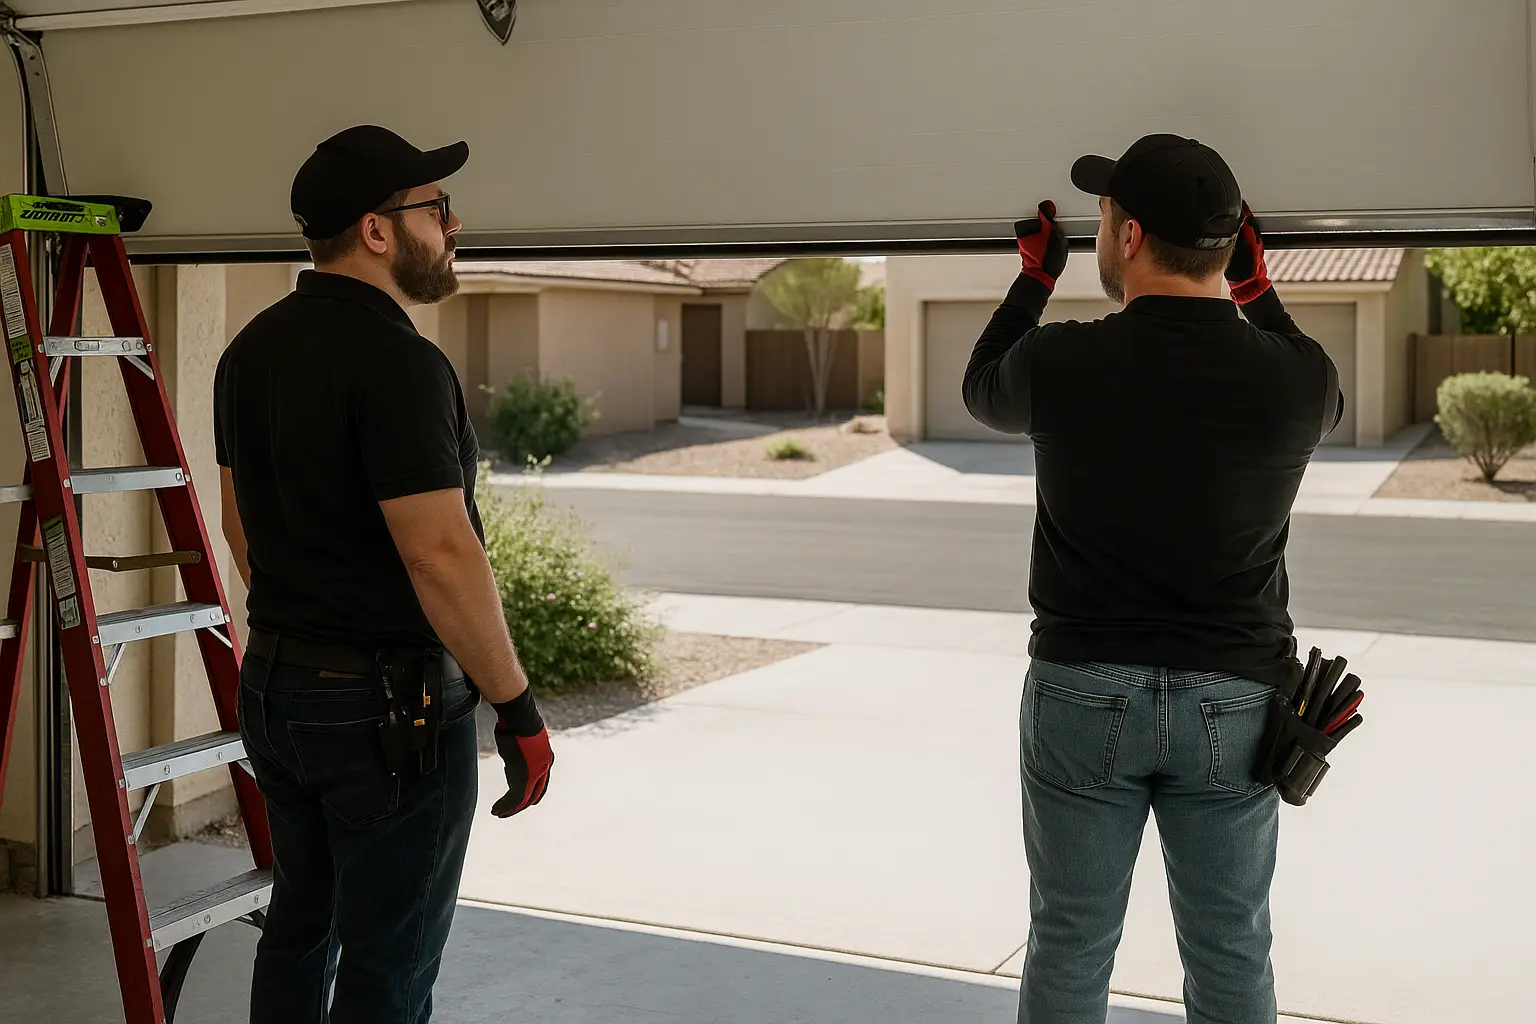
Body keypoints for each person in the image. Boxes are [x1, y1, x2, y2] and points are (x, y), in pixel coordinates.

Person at [963, 134, 1344, 1024]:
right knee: (1231, 945)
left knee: (1068, 940)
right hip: (1238, 703)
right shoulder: (1297, 381)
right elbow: (1308, 370)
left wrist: (1033, 279)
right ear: (1230, 249)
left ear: (1128, 237)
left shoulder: (1063, 361)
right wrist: (1257, 293)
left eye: (1101, 219)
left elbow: (983, 385)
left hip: (1083, 691)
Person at [214, 125, 555, 1024]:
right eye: (436, 209)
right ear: (376, 229)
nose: (454, 224)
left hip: (277, 690)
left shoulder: (249, 352)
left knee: (300, 927)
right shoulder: (400, 364)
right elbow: (438, 552)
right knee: (388, 965)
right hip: (385, 716)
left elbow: (236, 522)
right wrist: (517, 710)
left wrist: (302, 634)